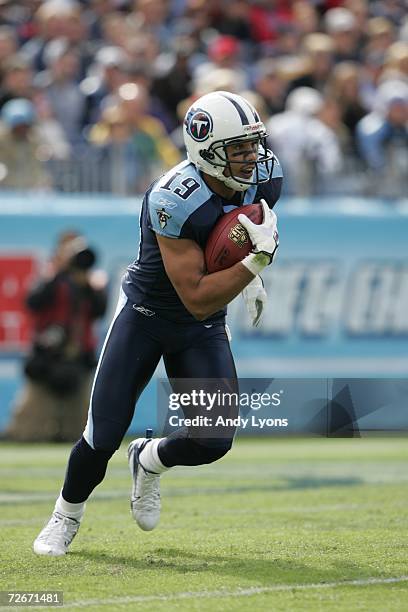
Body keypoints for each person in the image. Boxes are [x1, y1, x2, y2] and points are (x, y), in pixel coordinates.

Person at [33, 90, 282, 556]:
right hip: (148, 317)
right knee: (102, 433)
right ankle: (65, 515)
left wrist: (247, 267)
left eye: (253, 144)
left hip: (200, 329)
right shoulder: (174, 198)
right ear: (206, 150)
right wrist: (255, 265)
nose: (252, 157)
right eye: (239, 149)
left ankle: (148, 459)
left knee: (213, 439)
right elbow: (196, 297)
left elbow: (242, 229)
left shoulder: (266, 176)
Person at [7, 231, 108, 443]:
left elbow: (100, 310)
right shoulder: (49, 275)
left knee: (81, 434)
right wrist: (57, 274)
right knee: (27, 432)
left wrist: (88, 284)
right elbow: (33, 302)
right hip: (47, 357)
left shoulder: (91, 280)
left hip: (79, 358)